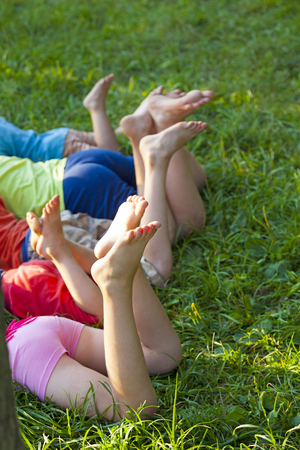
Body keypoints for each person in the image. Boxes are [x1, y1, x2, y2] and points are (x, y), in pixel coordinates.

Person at [5, 194, 182, 421]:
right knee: (165, 355)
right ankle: (119, 258)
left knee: (134, 409)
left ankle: (114, 284)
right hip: (30, 330)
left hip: (20, 353)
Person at [0, 74, 119, 162]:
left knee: (115, 161)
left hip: (56, 152)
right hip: (57, 138)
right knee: (111, 137)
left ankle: (95, 107)